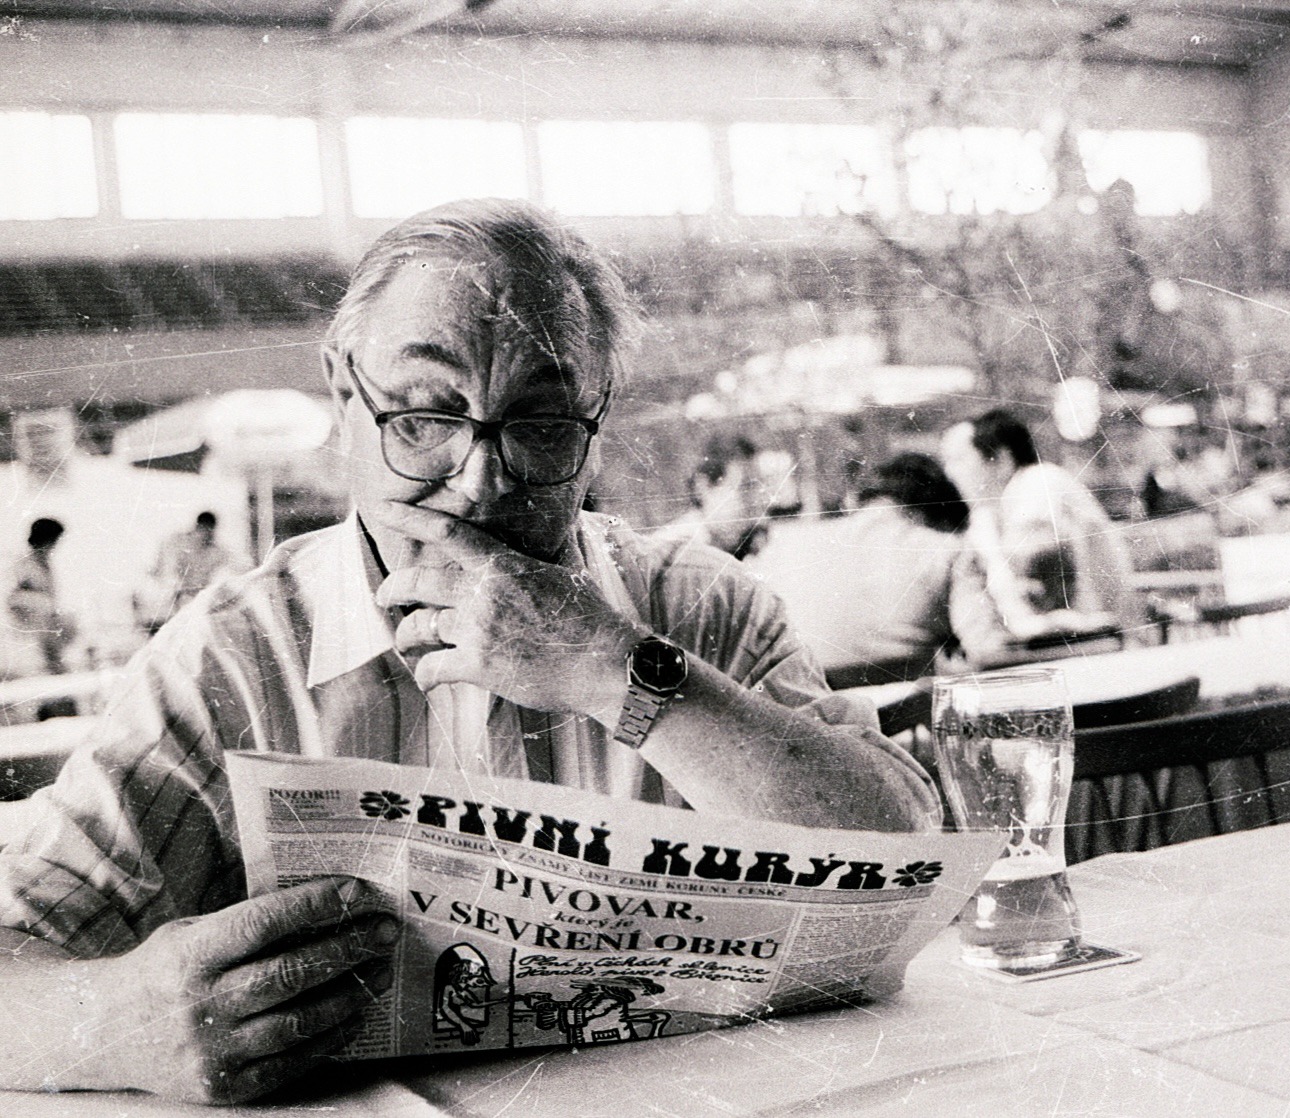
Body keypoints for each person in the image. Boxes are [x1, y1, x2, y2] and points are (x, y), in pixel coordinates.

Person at [0, 199, 938, 1105]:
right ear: (342, 391)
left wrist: (615, 669)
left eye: (540, 424)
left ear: (596, 418)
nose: (480, 480)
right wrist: (116, 1017)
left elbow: (905, 867)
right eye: (424, 414)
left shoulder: (699, 609)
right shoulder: (231, 656)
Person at [751, 452, 968, 685]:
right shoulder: (944, 548)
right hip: (907, 710)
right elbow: (987, 649)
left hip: (806, 704)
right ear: (923, 515)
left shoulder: (784, 546)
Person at [939, 410, 1142, 649]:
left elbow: (1030, 582)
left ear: (1001, 460)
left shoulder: (1040, 483)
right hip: (1062, 642)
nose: (948, 474)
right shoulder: (986, 513)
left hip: (1096, 640)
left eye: (958, 459)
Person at [654, 433, 769, 561]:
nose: (755, 502)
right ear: (702, 487)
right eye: (744, 487)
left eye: (758, 487)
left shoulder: (734, 546)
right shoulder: (674, 549)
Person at [139, 511, 250, 631]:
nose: (206, 536)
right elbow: (166, 571)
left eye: (210, 532)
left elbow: (239, 566)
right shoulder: (177, 543)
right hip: (172, 597)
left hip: (196, 601)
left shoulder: (217, 550)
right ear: (198, 527)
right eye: (204, 530)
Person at [2, 518, 75, 680]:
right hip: (24, 634)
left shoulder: (45, 563)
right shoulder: (22, 562)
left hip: (45, 632)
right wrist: (42, 605)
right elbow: (11, 598)